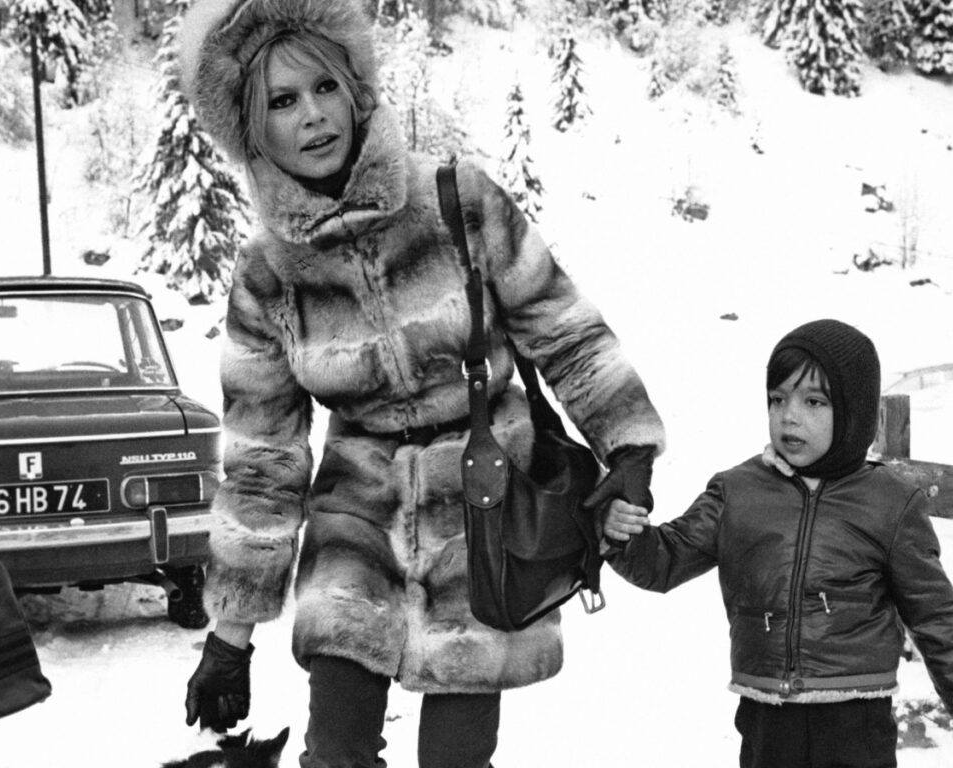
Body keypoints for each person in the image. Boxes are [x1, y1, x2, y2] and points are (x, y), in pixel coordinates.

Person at [177, 1, 665, 766]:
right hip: (356, 514)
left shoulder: (457, 201)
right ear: (251, 128)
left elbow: (565, 331)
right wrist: (230, 635)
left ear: (355, 89)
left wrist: (629, 448)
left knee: (454, 759)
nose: (313, 115)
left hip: (484, 508)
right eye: (282, 100)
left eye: (325, 87)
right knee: (335, 751)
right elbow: (263, 460)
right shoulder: (267, 274)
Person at [604, 318, 953, 768]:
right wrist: (622, 534)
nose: (789, 415)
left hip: (855, 724)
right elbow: (663, 562)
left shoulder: (890, 503)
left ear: (854, 412)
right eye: (777, 398)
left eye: (814, 401)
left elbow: (936, 617)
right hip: (768, 721)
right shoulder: (737, 492)